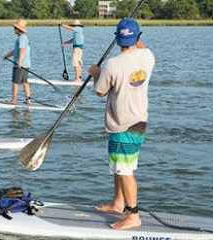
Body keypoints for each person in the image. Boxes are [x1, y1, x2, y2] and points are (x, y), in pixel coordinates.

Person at [89, 18, 155, 230]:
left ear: (118, 40)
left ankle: (133, 215)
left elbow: (100, 91)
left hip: (122, 124)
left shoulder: (113, 64)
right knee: (120, 166)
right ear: (138, 38)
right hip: (140, 121)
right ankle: (118, 203)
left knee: (124, 169)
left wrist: (95, 74)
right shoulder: (148, 56)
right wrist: (137, 38)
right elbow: (140, 46)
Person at [2, 19, 31, 105]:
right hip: (26, 64)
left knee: (15, 82)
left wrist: (19, 62)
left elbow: (22, 50)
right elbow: (16, 50)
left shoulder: (21, 38)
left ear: (19, 29)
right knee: (25, 82)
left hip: (20, 64)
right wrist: (7, 55)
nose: (14, 29)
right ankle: (28, 100)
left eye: (15, 28)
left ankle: (13, 100)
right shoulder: (24, 37)